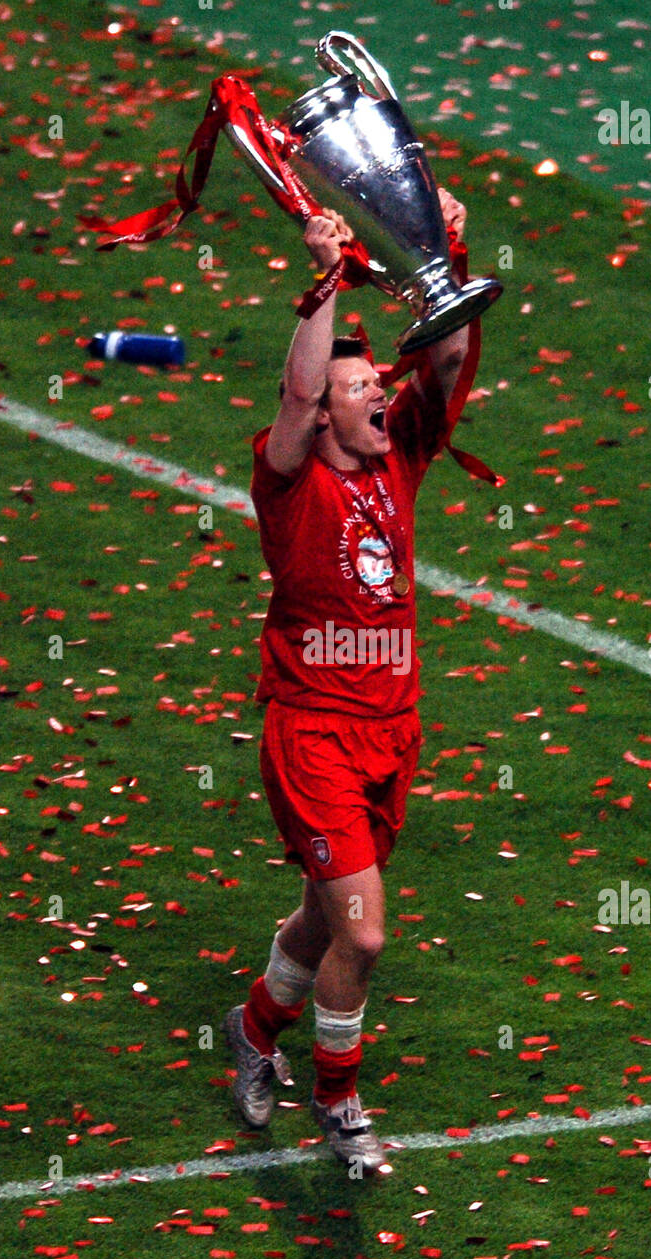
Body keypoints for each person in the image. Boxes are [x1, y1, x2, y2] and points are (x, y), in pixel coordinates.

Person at [223, 188, 481, 1172]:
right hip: (314, 733)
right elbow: (293, 398)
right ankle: (339, 1103)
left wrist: (436, 243)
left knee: (328, 916)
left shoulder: (398, 459)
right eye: (360, 384)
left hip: (392, 730)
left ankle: (251, 1032)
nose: (381, 392)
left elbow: (449, 349)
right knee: (364, 935)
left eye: (381, 380)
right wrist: (326, 273)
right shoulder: (289, 479)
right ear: (323, 410)